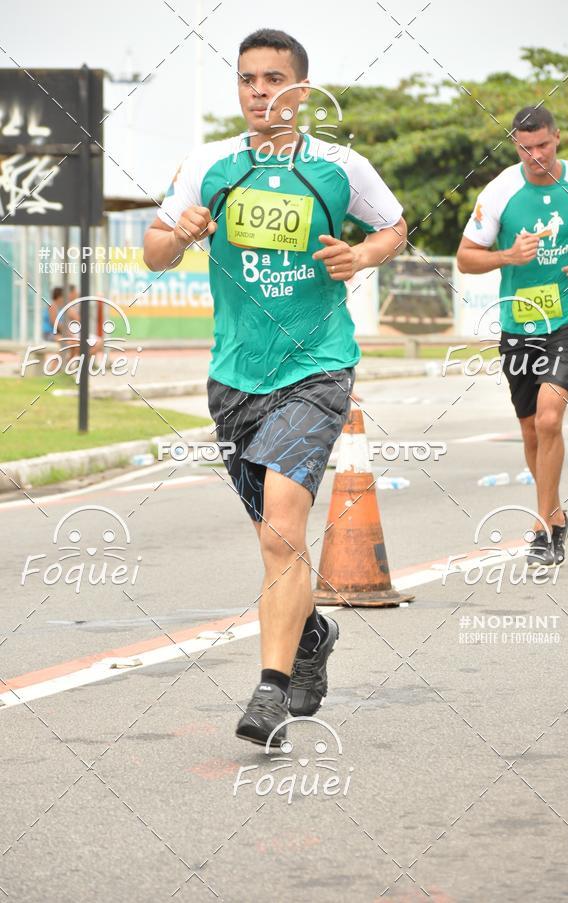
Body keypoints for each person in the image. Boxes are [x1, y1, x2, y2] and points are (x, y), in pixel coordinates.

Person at [143, 28, 407, 746]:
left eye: (275, 80)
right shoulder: (211, 165)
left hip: (316, 367)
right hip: (234, 378)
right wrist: (182, 231)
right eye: (249, 80)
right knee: (274, 538)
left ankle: (271, 691)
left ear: (301, 89)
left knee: (283, 527)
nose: (261, 92)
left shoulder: (339, 168)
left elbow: (397, 229)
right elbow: (155, 248)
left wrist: (361, 253)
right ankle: (312, 633)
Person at [457, 106, 568, 567]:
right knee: (529, 427)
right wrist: (507, 256)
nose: (535, 156)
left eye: (543, 145)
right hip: (521, 322)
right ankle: (556, 515)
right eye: (525, 148)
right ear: (515, 146)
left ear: (557, 138)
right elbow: (465, 258)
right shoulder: (500, 192)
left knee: (550, 418)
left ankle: (542, 528)